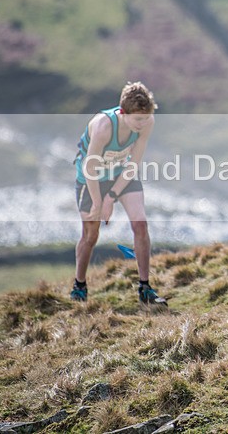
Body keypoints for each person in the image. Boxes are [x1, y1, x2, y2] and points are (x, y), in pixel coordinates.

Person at [71, 81, 167, 308]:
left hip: (121, 174)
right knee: (91, 235)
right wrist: (99, 203)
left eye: (146, 118)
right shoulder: (103, 127)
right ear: (123, 113)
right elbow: (90, 169)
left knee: (140, 224)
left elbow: (134, 163)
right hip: (91, 180)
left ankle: (145, 288)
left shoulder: (147, 122)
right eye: (137, 119)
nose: (142, 124)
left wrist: (111, 197)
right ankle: (79, 286)